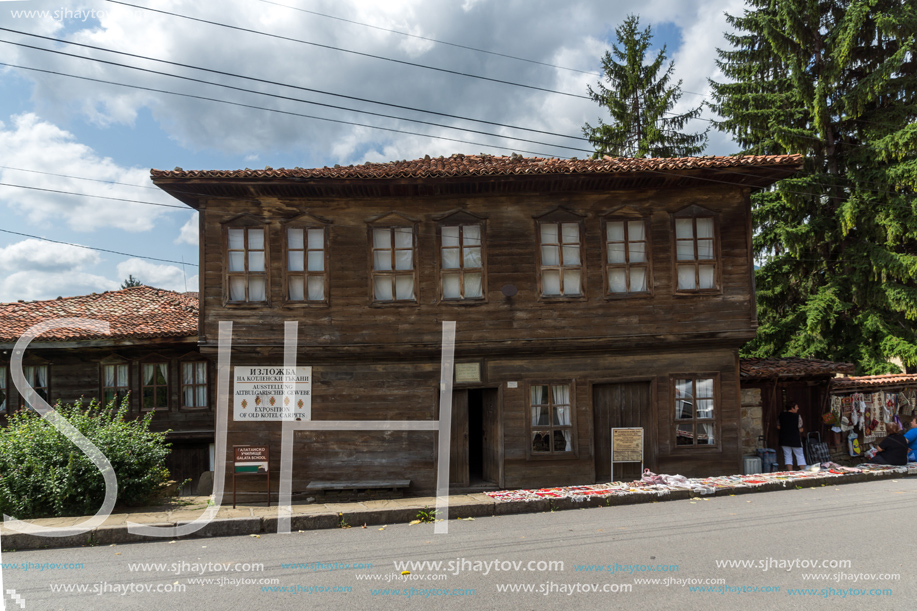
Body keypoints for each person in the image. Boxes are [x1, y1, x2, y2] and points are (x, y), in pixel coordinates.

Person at [776, 403, 807, 471]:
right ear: (792, 408)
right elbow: (800, 427)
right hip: (795, 438)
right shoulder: (797, 416)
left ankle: (790, 471)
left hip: (784, 438)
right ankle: (803, 471)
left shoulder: (781, 415)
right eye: (796, 407)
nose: (798, 408)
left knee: (787, 456)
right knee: (800, 455)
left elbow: (778, 426)